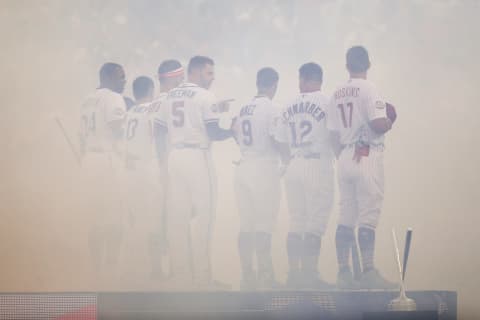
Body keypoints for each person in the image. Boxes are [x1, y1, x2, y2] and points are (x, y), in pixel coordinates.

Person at [156, 56, 231, 289]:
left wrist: (162, 164)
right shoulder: (205, 96)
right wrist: (233, 130)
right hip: (198, 157)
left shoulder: (169, 97)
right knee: (204, 219)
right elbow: (213, 132)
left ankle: (181, 277)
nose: (212, 78)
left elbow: (158, 132)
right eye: (209, 73)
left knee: (178, 220)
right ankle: (202, 279)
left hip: (174, 157)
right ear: (196, 73)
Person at [327, 46, 397, 289]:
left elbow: (332, 135)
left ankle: (344, 272)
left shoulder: (336, 92)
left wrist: (344, 156)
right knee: (368, 216)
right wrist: (390, 120)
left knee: (346, 215)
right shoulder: (369, 88)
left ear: (347, 65)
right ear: (368, 64)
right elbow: (378, 124)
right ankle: (367, 271)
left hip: (345, 155)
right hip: (367, 154)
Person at [274, 62, 334, 289]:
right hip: (316, 163)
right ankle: (310, 274)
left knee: (297, 220)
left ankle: (293, 274)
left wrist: (288, 160)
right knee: (316, 222)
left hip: (293, 164)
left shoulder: (288, 104)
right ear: (319, 79)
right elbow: (336, 132)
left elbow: (279, 140)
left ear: (303, 79)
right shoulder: (327, 102)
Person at [232, 67, 282, 290]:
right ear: (274, 85)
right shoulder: (272, 108)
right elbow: (277, 139)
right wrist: (289, 159)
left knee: (246, 224)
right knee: (264, 224)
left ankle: (247, 276)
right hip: (263, 167)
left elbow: (235, 133)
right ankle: (265, 275)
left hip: (243, 165)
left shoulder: (243, 108)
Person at [78, 62, 127, 286]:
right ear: (107, 77)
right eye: (120, 77)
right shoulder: (114, 97)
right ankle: (112, 267)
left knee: (95, 218)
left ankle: (95, 270)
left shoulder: (88, 99)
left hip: (89, 159)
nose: (124, 81)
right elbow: (118, 129)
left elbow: (81, 136)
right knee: (116, 216)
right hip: (108, 160)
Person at [122, 76, 164, 285]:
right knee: (155, 219)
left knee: (135, 219)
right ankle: (156, 268)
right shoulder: (152, 110)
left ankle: (134, 267)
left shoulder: (128, 113)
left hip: (130, 170)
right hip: (148, 167)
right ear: (150, 90)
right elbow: (158, 136)